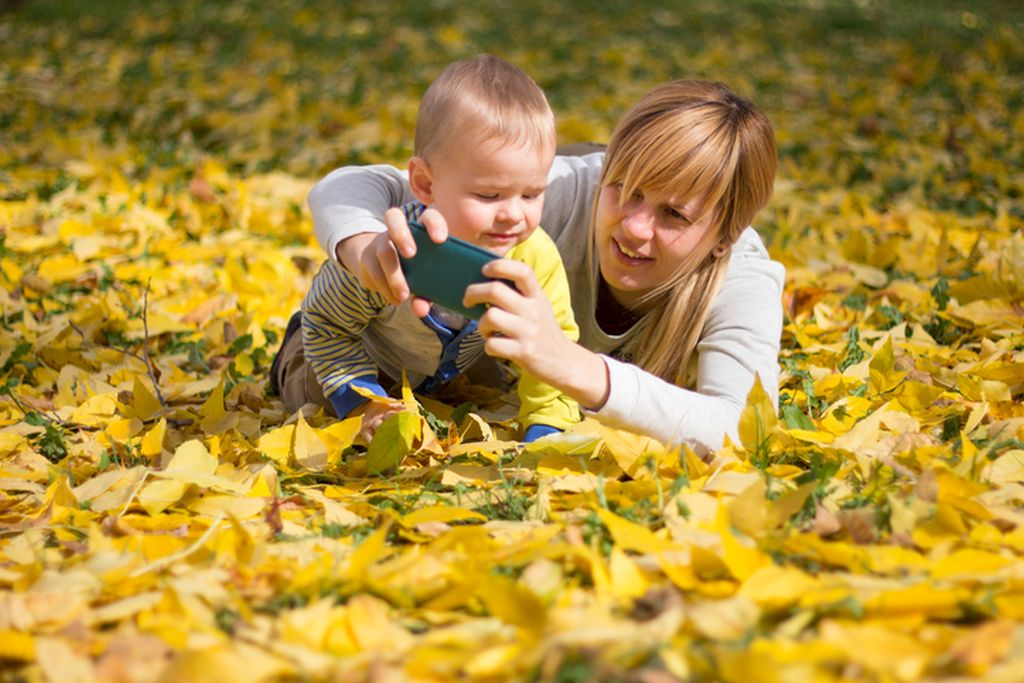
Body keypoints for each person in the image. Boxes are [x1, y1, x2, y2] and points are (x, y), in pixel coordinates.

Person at [305, 79, 784, 455]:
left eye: (674, 214)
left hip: (470, 375)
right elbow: (357, 185)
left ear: (725, 237)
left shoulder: (742, 276)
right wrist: (364, 249)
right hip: (372, 346)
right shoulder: (556, 192)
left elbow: (744, 429)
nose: (635, 227)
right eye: (626, 189)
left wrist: (572, 365)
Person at [271, 55, 580, 443]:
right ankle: (291, 355)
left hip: (445, 364)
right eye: (489, 195)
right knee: (316, 397)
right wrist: (365, 404)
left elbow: (553, 341)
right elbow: (328, 326)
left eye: (532, 194)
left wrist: (548, 425)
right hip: (347, 350)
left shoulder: (534, 257)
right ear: (425, 184)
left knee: (490, 385)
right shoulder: (391, 249)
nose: (513, 215)